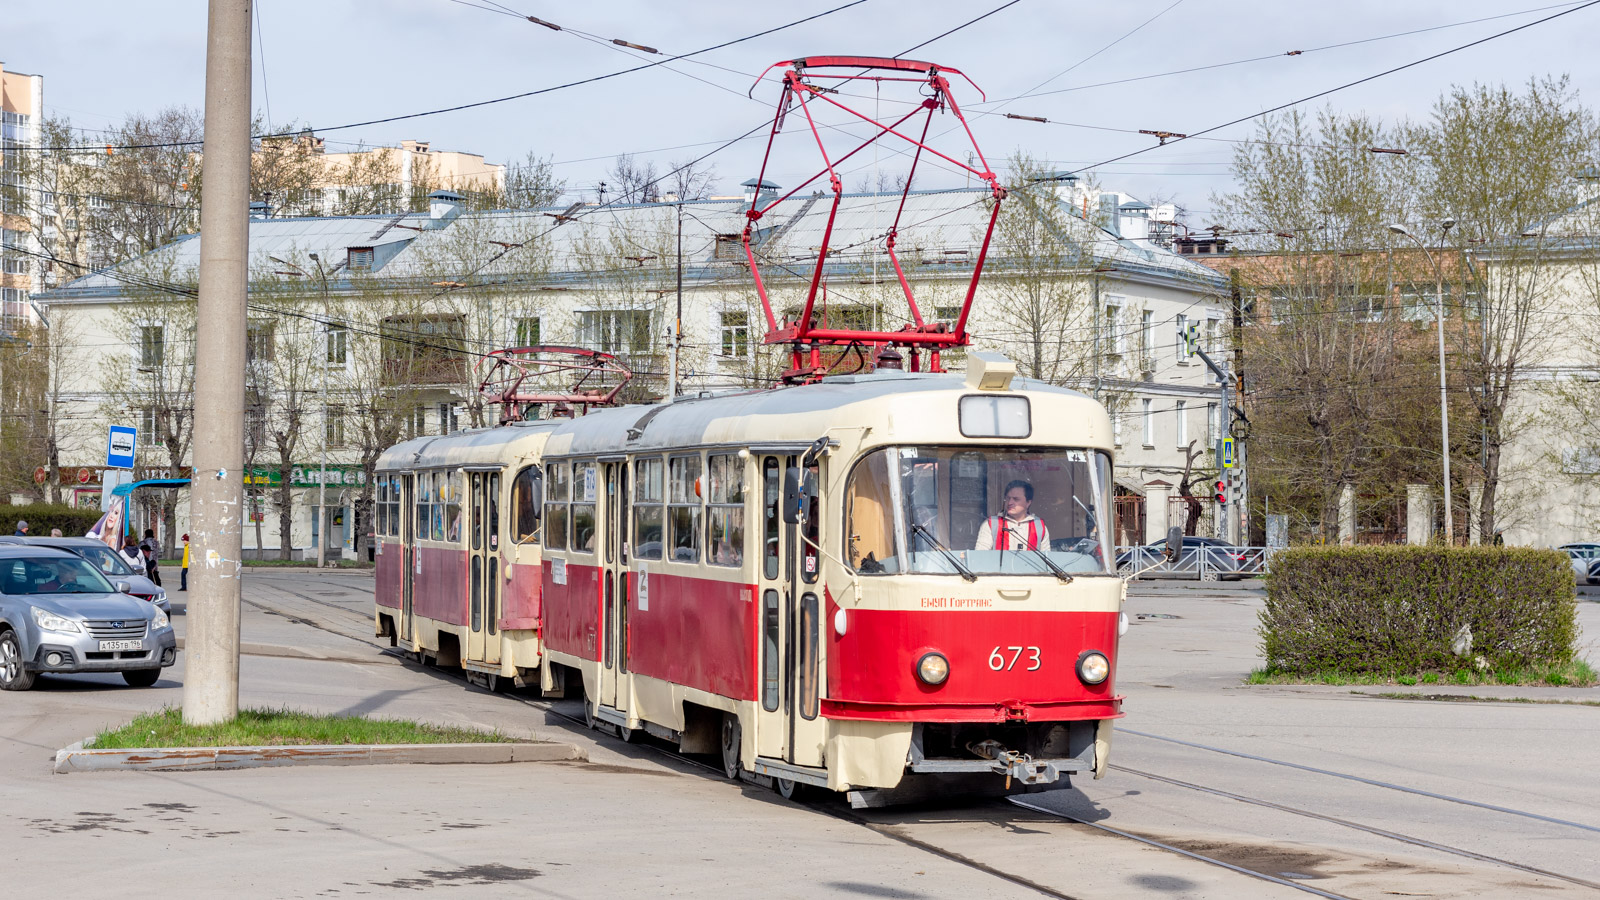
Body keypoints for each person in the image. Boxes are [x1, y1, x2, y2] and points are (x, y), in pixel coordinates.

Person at [974, 479, 1051, 551]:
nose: (1010, 503)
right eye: (1008, 498)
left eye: (1016, 499)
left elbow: (1047, 560)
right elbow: (980, 556)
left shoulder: (1039, 526)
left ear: (1028, 502)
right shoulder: (992, 523)